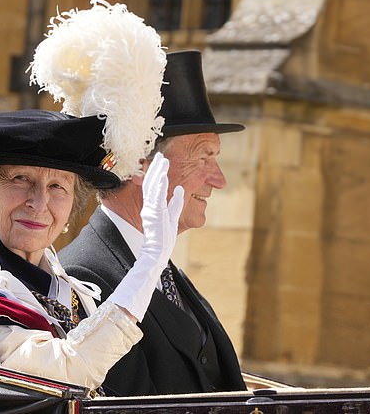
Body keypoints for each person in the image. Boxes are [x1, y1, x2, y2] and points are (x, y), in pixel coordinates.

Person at [0, 109, 183, 393]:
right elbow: (68, 373)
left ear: (72, 207)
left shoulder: (73, 292)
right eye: (21, 179)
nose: (39, 202)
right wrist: (148, 264)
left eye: (57, 186)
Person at [59, 50, 248, 396]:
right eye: (203, 156)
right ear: (140, 164)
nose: (218, 179)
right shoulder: (84, 277)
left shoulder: (167, 271)